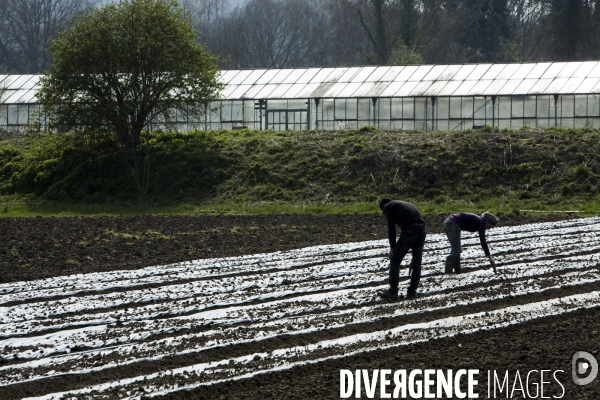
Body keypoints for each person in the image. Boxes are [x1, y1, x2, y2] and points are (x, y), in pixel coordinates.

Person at [378, 198, 427, 301]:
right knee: (416, 263)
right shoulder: (403, 204)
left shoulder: (388, 207)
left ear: (383, 206)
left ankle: (393, 291)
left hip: (410, 230)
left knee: (395, 260)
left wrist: (392, 247)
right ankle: (411, 292)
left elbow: (391, 226)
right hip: (422, 229)